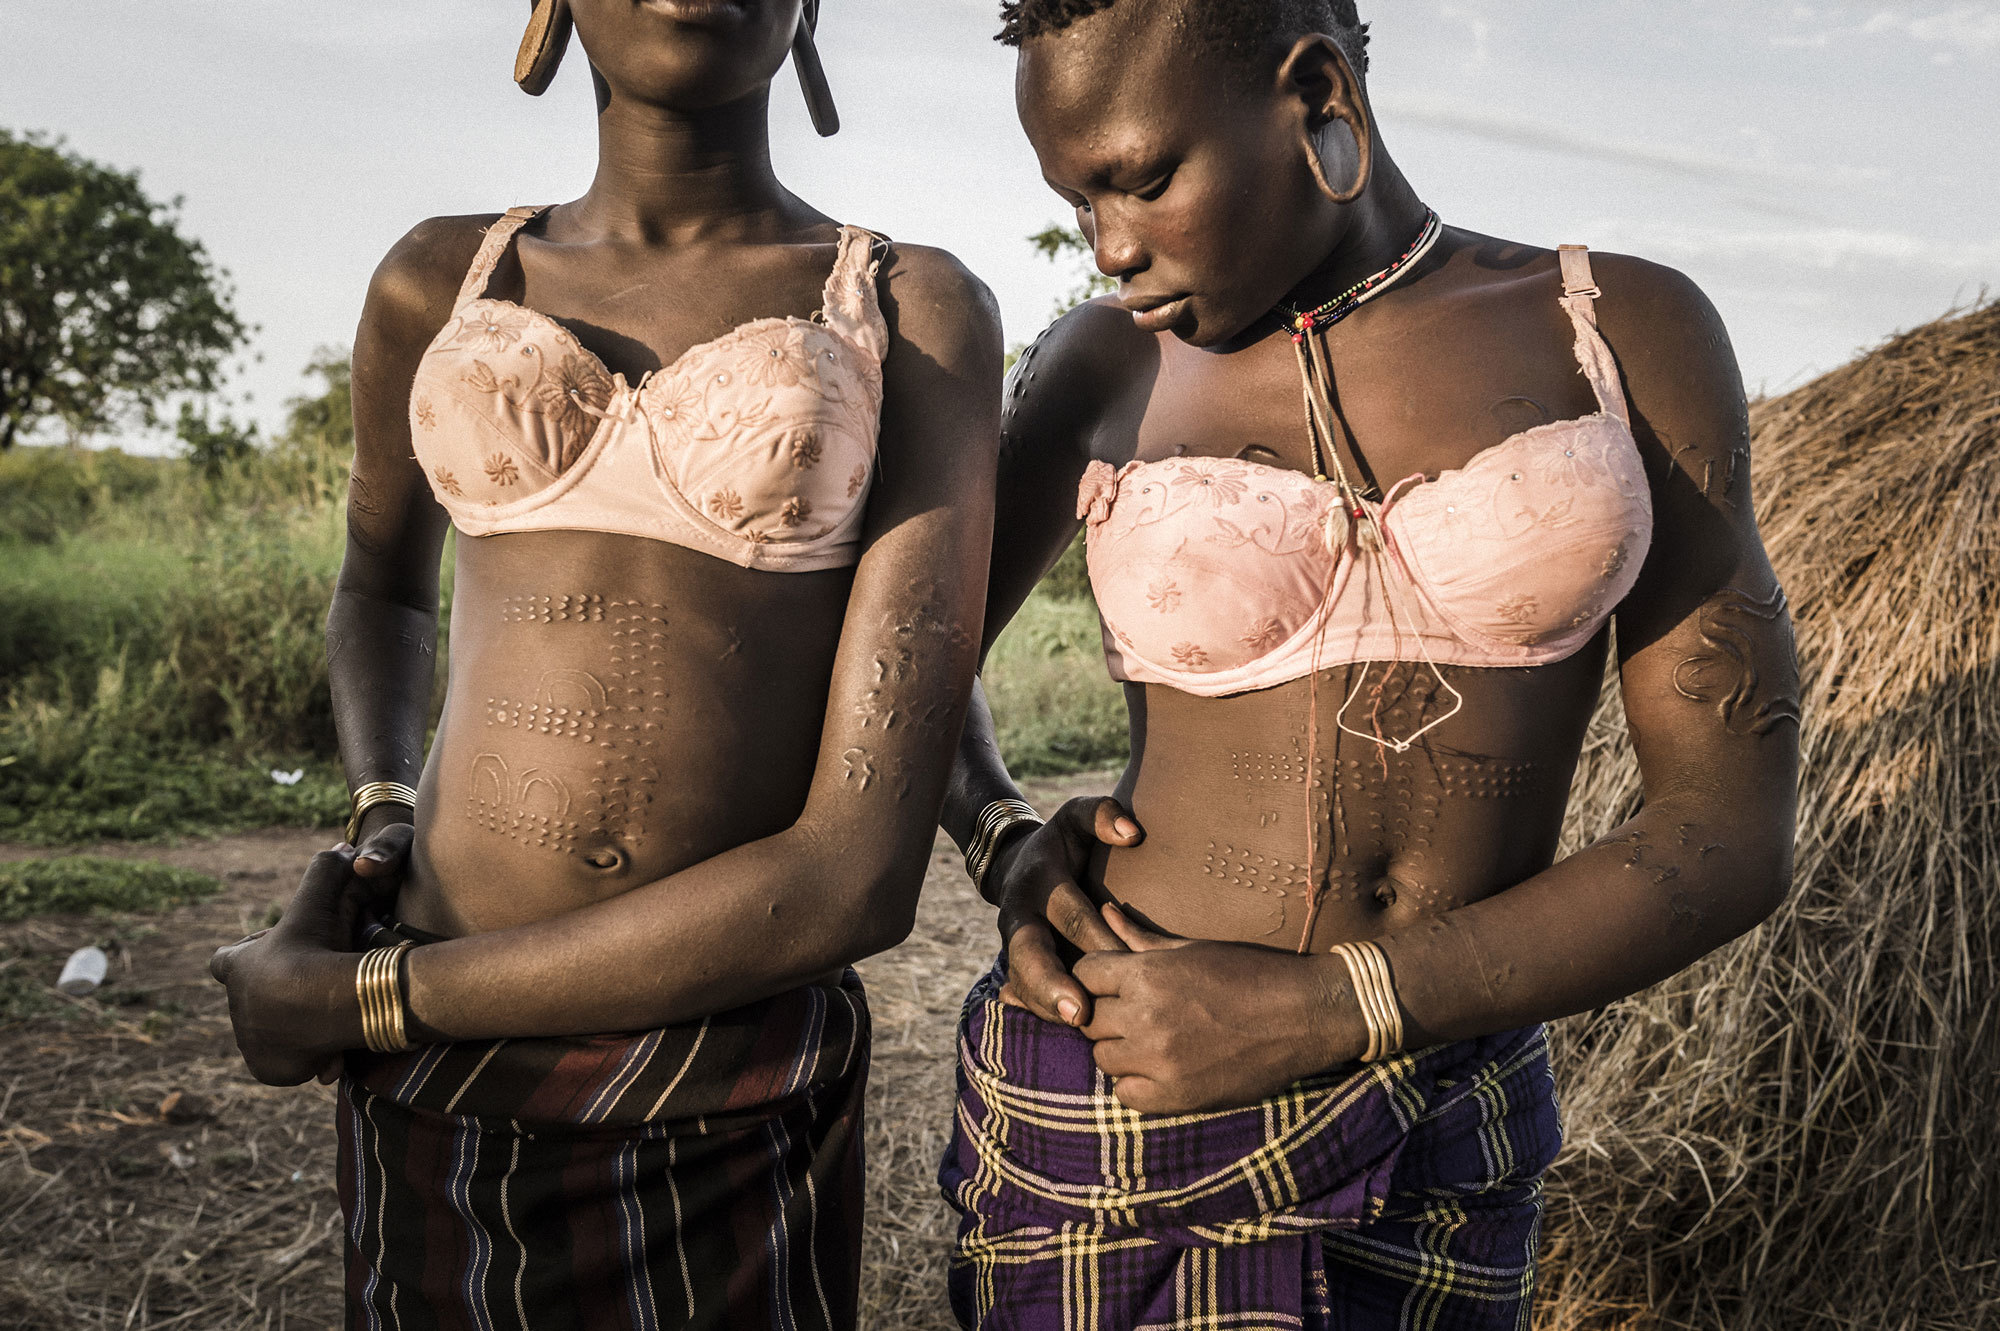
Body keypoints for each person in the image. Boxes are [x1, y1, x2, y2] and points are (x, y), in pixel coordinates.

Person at [936, 2, 1802, 1327]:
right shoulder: (1106, 365)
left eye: (1147, 180)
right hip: (1122, 1090)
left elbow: (1728, 830)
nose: (1113, 250)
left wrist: (1335, 1009)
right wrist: (1004, 836)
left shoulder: (1614, 331)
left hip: (1443, 1118)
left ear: (1317, 92)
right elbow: (905, 671)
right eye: (1078, 198)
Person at [207, 1, 1001, 1327]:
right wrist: (381, 809)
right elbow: (385, 586)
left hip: (731, 1063)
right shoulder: (442, 279)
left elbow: (856, 881)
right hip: (451, 1086)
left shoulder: (910, 309)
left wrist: (366, 1004)